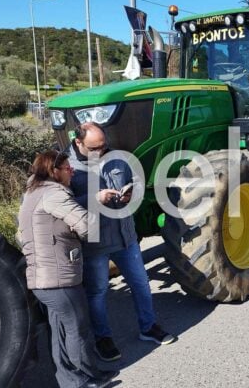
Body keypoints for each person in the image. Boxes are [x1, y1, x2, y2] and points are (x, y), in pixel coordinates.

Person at [67, 122, 175, 362]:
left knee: (141, 283)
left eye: (104, 146)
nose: (102, 152)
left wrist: (130, 196)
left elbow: (137, 185)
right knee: (97, 292)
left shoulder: (118, 158)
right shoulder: (67, 167)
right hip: (95, 242)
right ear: (78, 143)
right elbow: (64, 204)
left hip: (126, 237)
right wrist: (95, 198)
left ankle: (149, 327)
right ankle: (102, 338)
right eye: (95, 148)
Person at [18, 150, 118, 388]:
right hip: (58, 277)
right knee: (77, 330)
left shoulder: (32, 194)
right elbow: (87, 226)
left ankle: (70, 380)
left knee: (60, 332)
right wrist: (96, 203)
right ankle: (86, 379)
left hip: (41, 279)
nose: (71, 172)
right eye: (67, 169)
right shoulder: (54, 194)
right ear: (54, 171)